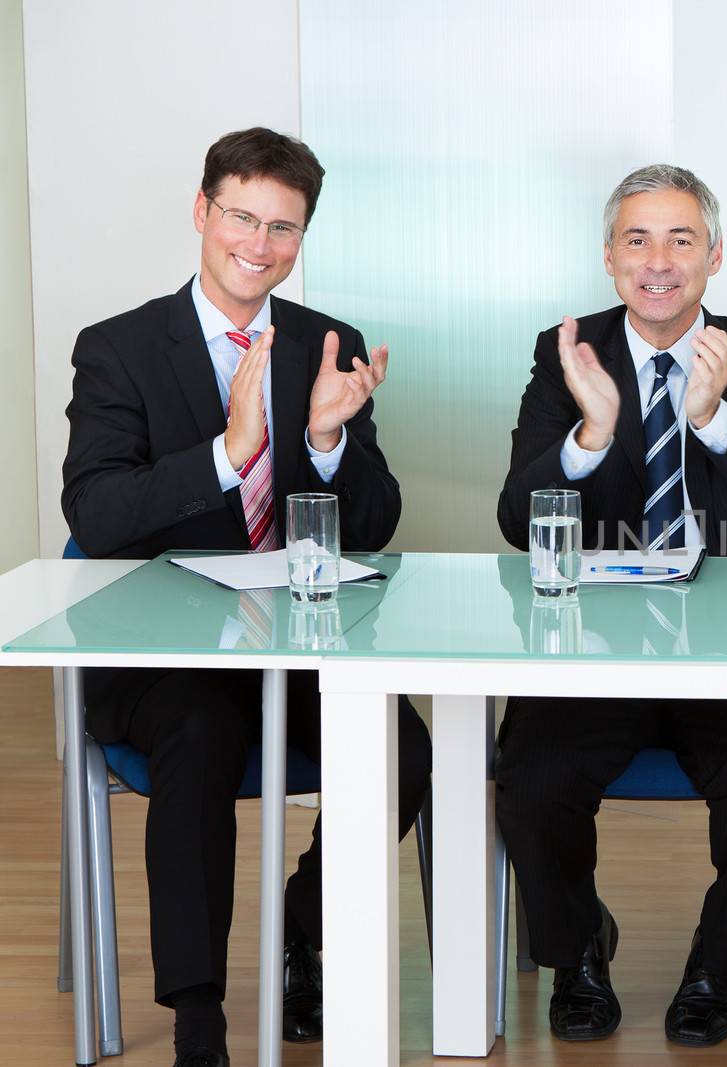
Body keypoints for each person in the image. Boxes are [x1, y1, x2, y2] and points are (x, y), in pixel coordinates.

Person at [60, 127, 433, 1067]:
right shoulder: (118, 349)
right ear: (202, 212)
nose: (259, 245)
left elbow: (376, 520)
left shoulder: (323, 342)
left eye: (284, 227)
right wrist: (231, 453)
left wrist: (329, 442)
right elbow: (98, 515)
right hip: (163, 652)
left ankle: (298, 922)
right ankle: (198, 1018)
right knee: (199, 736)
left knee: (406, 746)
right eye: (242, 217)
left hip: (296, 643)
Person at [494, 163, 727, 1047]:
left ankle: (715, 962)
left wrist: (715, 419)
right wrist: (592, 434)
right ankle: (576, 954)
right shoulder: (564, 353)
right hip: (593, 652)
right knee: (531, 782)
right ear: (609, 258)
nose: (659, 261)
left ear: (715, 255)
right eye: (638, 240)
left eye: (681, 239)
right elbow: (514, 518)